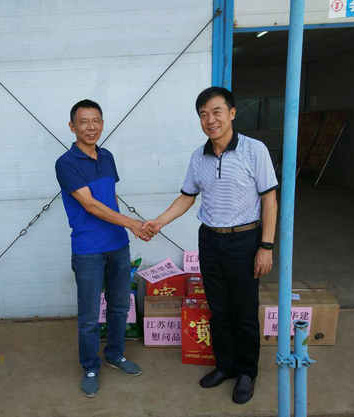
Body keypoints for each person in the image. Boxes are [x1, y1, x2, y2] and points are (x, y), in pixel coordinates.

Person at [144, 87, 278, 404]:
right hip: (210, 240)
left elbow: (269, 200)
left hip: (245, 240)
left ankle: (247, 373)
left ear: (232, 113)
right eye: (203, 115)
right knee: (218, 308)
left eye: (217, 112)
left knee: (244, 310)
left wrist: (266, 246)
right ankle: (225, 366)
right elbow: (187, 197)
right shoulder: (198, 157)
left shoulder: (254, 150)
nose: (210, 120)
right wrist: (159, 221)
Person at [55, 99, 151, 398]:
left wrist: (126, 228)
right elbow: (91, 205)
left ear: (102, 123)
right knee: (89, 315)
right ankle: (90, 367)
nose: (91, 127)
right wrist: (133, 224)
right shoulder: (66, 163)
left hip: (118, 245)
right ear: (72, 127)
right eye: (84, 121)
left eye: (96, 120)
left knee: (120, 306)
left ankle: (115, 354)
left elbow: (110, 197)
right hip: (88, 249)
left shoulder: (107, 156)